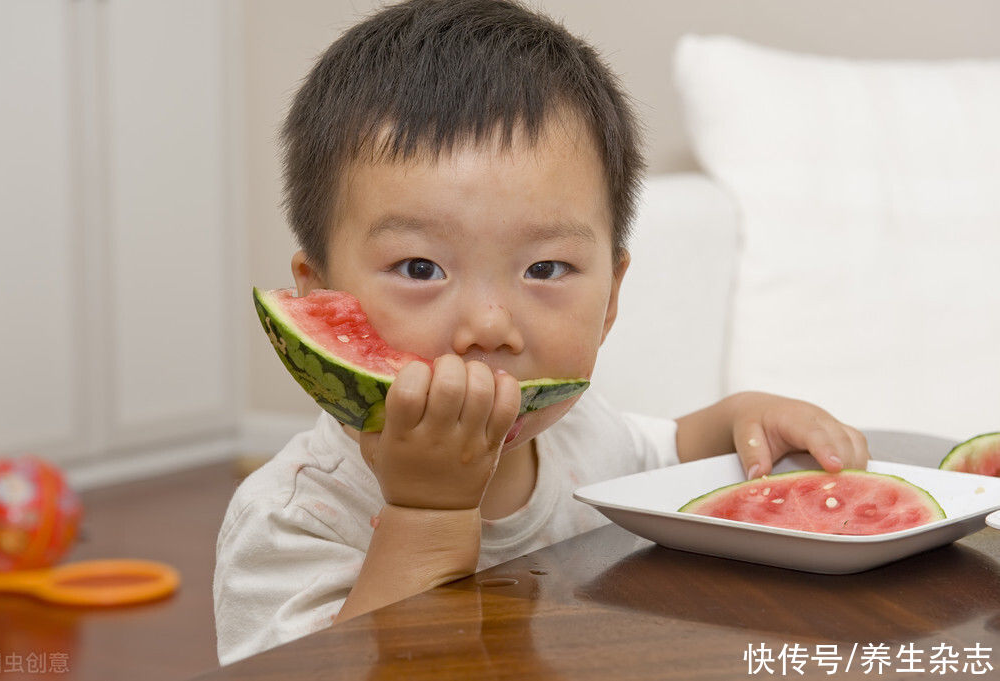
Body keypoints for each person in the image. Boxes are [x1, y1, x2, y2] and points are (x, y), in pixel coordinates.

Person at [214, 0, 869, 666]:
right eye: (420, 267)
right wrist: (427, 513)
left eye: (544, 267)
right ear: (320, 297)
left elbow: (670, 450)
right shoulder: (292, 518)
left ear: (611, 297)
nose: (488, 325)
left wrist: (743, 415)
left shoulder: (584, 440)